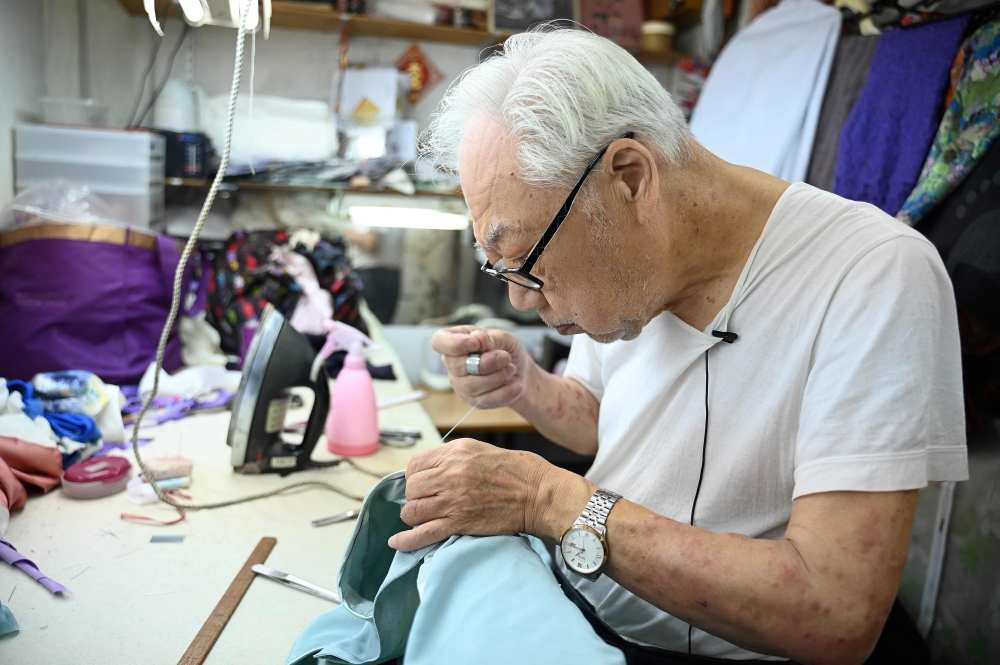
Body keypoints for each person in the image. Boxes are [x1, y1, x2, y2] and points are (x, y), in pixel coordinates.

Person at [390, 27, 967, 665]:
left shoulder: (873, 275)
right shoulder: (625, 262)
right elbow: (600, 421)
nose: (521, 299)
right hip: (577, 621)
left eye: (526, 261)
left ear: (630, 179)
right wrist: (528, 385)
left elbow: (833, 612)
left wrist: (548, 499)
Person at [346, 225, 403, 323]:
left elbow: (370, 243)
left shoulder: (373, 214)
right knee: (380, 323)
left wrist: (344, 230)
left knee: (369, 323)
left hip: (371, 275)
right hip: (386, 274)